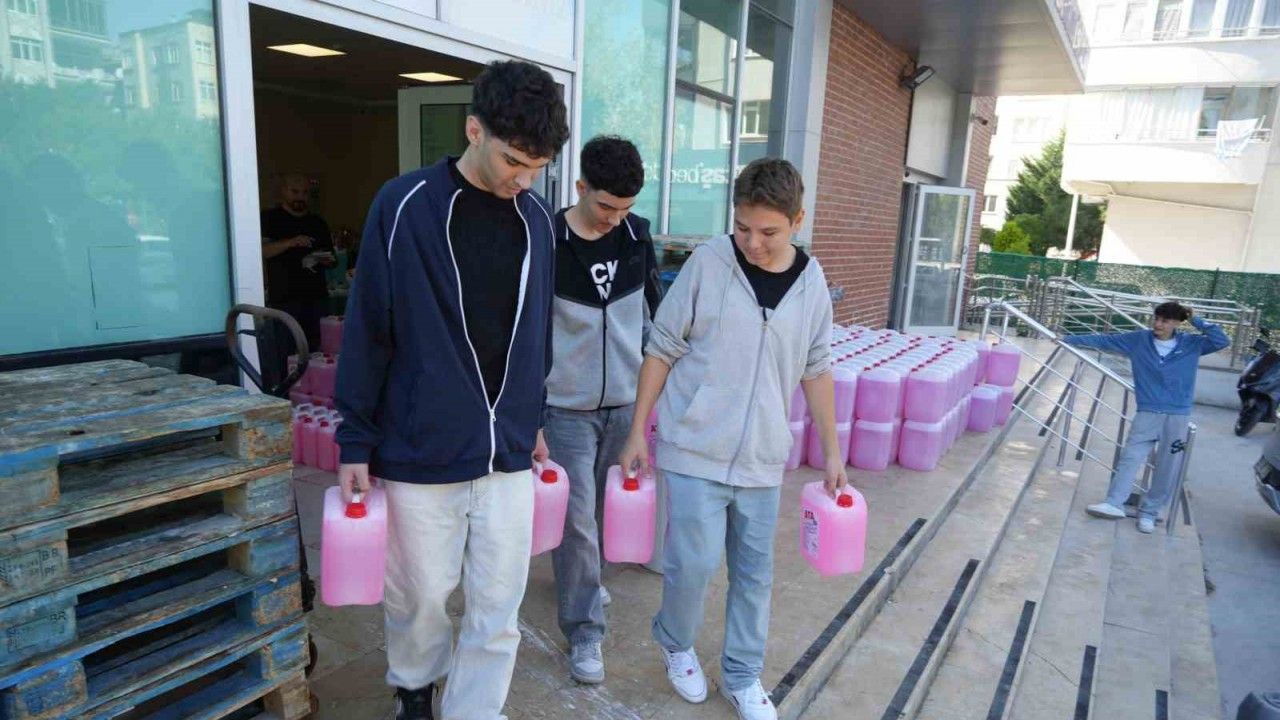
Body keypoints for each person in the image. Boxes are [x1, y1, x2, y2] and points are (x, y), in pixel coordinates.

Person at [334, 60, 568, 720]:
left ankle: (474, 711)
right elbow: (368, 326)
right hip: (421, 443)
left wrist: (534, 414)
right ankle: (414, 691)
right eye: (514, 161)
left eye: (538, 167)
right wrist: (355, 439)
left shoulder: (538, 221)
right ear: (473, 130)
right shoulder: (404, 205)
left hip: (509, 450)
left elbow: (537, 329)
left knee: (498, 604)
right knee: (421, 595)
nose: (524, 179)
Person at [618, 158, 846, 720]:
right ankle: (675, 641)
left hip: (761, 458)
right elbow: (662, 347)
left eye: (768, 232)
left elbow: (817, 367)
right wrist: (638, 430)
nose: (752, 243)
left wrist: (832, 452)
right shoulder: (709, 262)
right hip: (693, 446)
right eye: (742, 227)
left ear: (797, 221)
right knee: (692, 565)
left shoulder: (811, 282)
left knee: (754, 575)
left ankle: (743, 675)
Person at [544, 135, 663, 685]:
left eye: (626, 208)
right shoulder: (547, 239)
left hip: (625, 403)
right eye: (606, 206)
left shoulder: (637, 236)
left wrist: (652, 399)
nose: (616, 219)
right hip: (564, 408)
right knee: (576, 521)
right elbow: (528, 333)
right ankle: (585, 631)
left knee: (603, 512)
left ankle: (584, 582)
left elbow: (654, 319)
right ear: (580, 187)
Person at [1065, 301, 1229, 533]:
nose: (1158, 324)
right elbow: (1103, 340)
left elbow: (1222, 340)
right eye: (1157, 319)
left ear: (1176, 323)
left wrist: (1195, 319)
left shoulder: (1192, 344)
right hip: (1148, 412)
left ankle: (1150, 512)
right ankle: (1114, 503)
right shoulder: (1139, 340)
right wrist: (1066, 339)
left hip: (1177, 415)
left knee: (1168, 466)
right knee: (1130, 457)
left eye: (1165, 320)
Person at [261, 173, 334, 351]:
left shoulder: (318, 222)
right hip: (284, 300)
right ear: (284, 191)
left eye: (305, 192)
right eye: (295, 192)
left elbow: (332, 260)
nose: (300, 197)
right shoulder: (270, 218)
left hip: (316, 299)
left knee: (317, 352)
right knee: (284, 352)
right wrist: (291, 242)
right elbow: (263, 251)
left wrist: (321, 258)